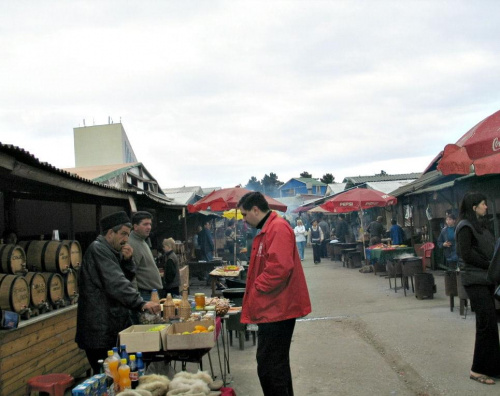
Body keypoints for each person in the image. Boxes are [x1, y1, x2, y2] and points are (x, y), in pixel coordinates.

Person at [237, 192, 311, 396]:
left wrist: (256, 288)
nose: (244, 220)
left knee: (270, 368)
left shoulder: (276, 228)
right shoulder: (268, 228)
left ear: (255, 209)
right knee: (276, 366)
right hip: (274, 308)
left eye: (244, 215)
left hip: (278, 309)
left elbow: (279, 268)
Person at [75, 211, 161, 375]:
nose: (125, 239)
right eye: (122, 234)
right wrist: (141, 303)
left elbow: (123, 279)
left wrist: (128, 262)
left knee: (118, 378)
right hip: (99, 330)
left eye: (127, 235)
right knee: (109, 378)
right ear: (109, 233)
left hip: (109, 326)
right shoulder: (98, 249)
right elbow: (116, 283)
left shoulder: (112, 251)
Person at [456, 192, 500, 385]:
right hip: (474, 280)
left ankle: (493, 367)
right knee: (485, 323)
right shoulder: (464, 227)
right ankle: (477, 370)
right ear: (474, 207)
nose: (486, 207)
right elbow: (467, 255)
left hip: (486, 279)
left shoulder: (480, 226)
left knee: (490, 324)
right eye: (483, 204)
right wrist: (489, 265)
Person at [128, 211, 163, 301]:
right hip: (144, 295)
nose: (149, 227)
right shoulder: (132, 244)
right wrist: (136, 299)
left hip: (151, 293)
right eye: (145, 224)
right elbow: (131, 273)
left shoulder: (142, 240)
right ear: (135, 227)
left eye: (150, 224)